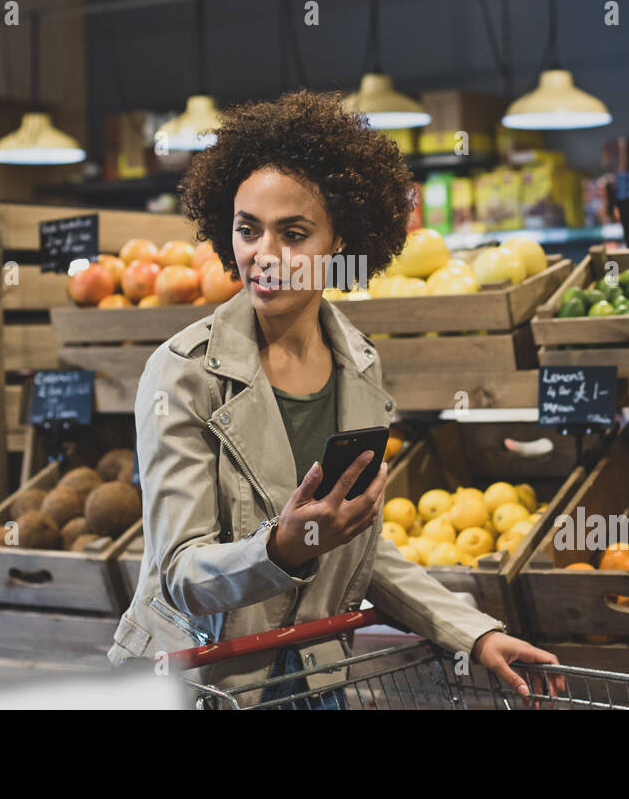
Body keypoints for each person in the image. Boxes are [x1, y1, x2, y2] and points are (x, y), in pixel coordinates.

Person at [108, 90, 562, 708]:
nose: (264, 256)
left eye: (293, 234)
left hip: (312, 682)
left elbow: (358, 541)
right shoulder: (183, 374)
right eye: (248, 230)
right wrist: (280, 550)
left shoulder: (359, 363)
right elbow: (179, 575)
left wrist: (474, 634)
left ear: (340, 243)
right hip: (201, 681)